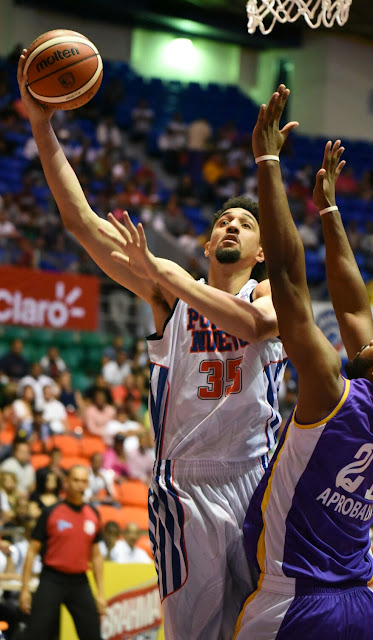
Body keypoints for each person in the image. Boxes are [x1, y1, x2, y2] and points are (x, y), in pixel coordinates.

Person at [17, 51, 285, 640]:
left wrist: (175, 278)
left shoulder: (272, 294)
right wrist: (42, 125)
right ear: (207, 241)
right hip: (186, 485)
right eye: (222, 222)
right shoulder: (170, 295)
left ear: (263, 250)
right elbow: (82, 223)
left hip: (257, 481)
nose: (231, 226)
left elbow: (259, 330)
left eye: (245, 222)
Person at [233, 85, 373, 640]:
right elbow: (354, 303)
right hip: (357, 603)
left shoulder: (333, 393)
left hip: (296, 600)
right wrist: (330, 210)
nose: (369, 340)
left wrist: (267, 163)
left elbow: (291, 283)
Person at [19, 465, 105, 640]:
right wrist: (25, 589)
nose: (80, 485)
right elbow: (31, 551)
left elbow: (96, 556)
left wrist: (101, 593)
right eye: (75, 480)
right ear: (66, 483)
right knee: (35, 634)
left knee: (93, 635)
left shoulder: (93, 514)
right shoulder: (51, 512)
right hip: (52, 579)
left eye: (83, 481)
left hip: (79, 582)